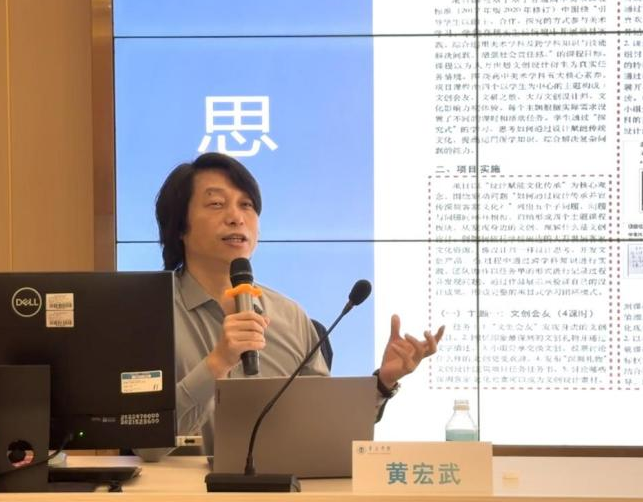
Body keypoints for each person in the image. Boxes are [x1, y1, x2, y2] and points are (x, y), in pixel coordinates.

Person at [152, 152, 444, 457]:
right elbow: (148, 447)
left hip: (282, 486)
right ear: (179, 226)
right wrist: (218, 362)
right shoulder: (150, 315)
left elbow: (325, 428)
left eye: (246, 205)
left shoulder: (290, 316)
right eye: (216, 204)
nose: (237, 217)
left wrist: (382, 383)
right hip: (181, 488)